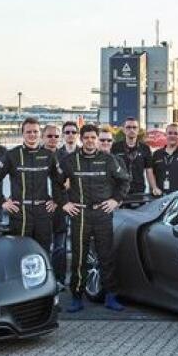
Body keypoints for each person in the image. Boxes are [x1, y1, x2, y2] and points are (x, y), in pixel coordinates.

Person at [53, 124, 131, 313]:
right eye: (86, 137)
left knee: (106, 256)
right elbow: (56, 183)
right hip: (80, 215)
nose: (90, 140)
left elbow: (124, 180)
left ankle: (111, 296)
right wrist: (64, 203)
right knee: (79, 258)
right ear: (81, 139)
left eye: (93, 137)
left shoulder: (109, 160)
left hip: (102, 213)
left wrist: (116, 200)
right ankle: (77, 297)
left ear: (97, 139)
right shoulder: (70, 161)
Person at [0, 117, 58, 251]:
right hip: (20, 213)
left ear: (40, 134)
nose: (32, 135)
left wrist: (56, 200)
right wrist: (2, 201)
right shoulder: (12, 155)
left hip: (42, 213)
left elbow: (59, 181)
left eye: (35, 132)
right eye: (28, 132)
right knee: (20, 252)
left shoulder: (49, 155)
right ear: (23, 134)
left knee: (43, 251)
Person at [43, 123, 68, 285]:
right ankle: (44, 280)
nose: (53, 139)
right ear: (42, 137)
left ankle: (59, 280)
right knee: (42, 248)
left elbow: (69, 184)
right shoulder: (34, 156)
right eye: (49, 136)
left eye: (56, 136)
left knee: (59, 248)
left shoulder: (66, 158)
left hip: (59, 208)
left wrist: (57, 201)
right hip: (40, 209)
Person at [111, 118, 154, 194]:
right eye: (128, 127)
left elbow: (149, 171)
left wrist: (154, 188)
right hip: (120, 190)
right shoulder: (115, 147)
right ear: (124, 130)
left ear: (138, 130)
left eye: (134, 127)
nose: (131, 130)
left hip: (139, 190)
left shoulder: (145, 148)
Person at [150, 123, 178, 195]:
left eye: (176, 133)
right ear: (165, 135)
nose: (172, 136)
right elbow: (151, 173)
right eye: (170, 133)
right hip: (159, 196)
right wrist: (154, 188)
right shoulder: (156, 154)